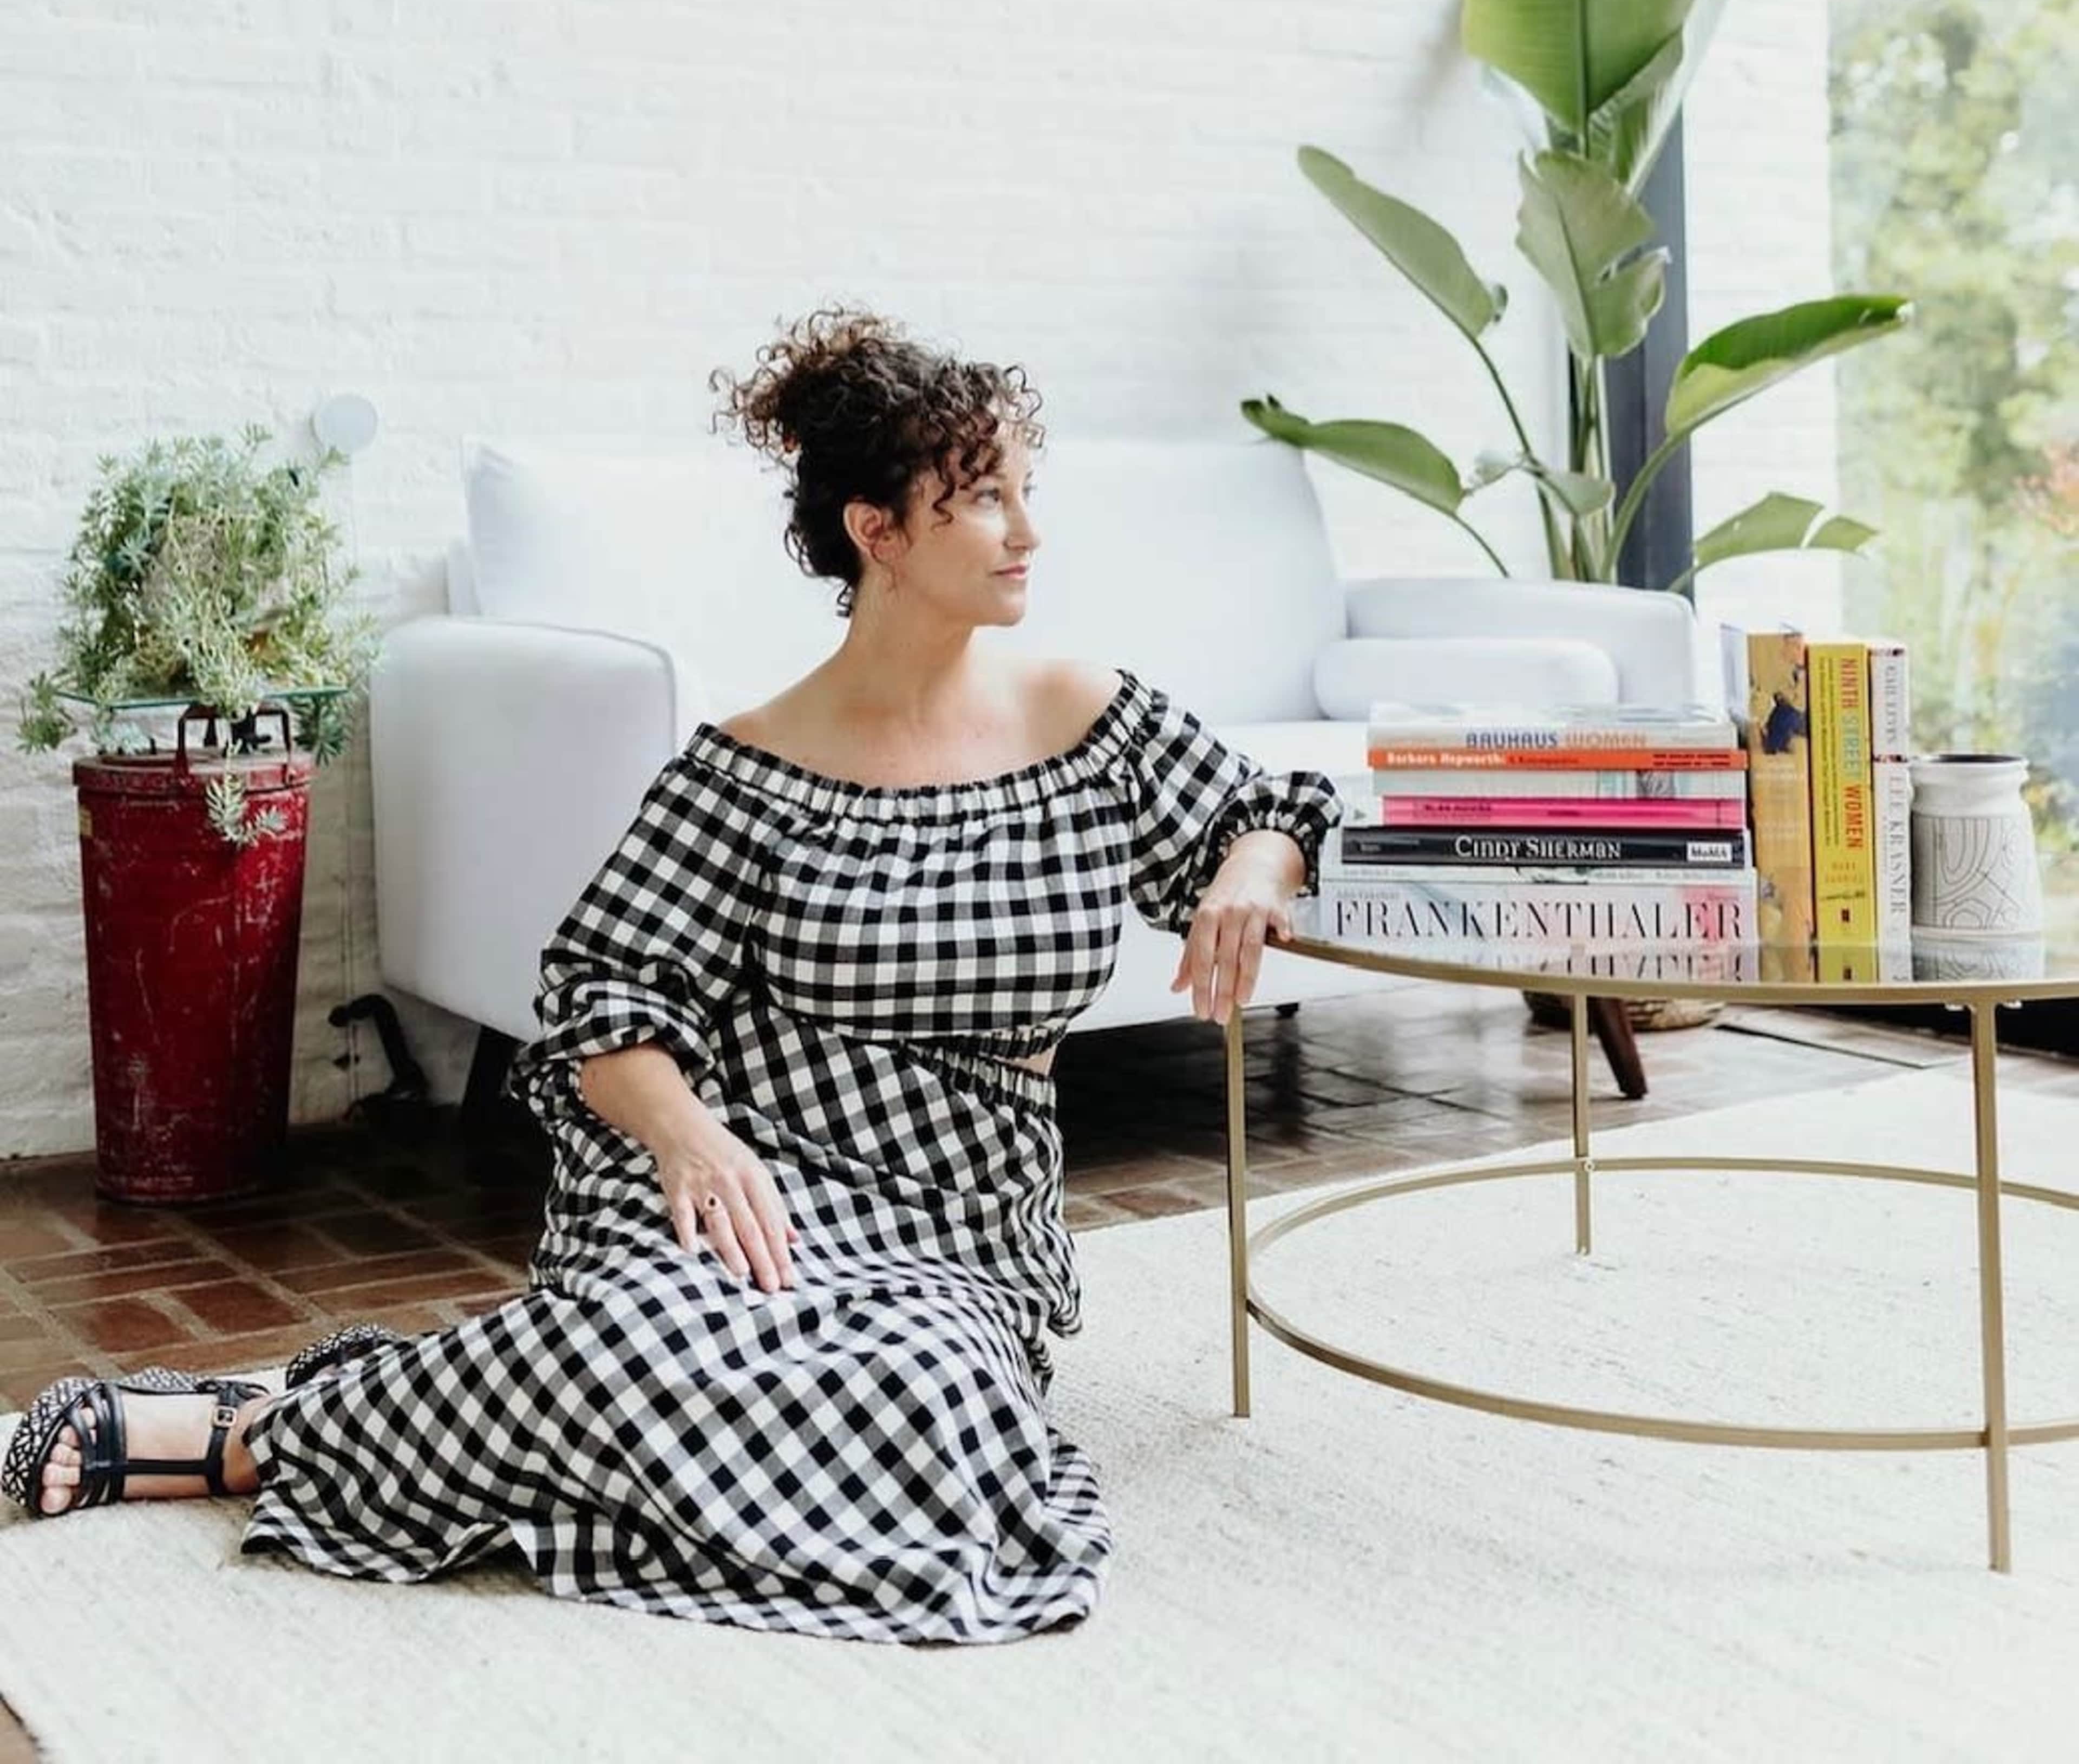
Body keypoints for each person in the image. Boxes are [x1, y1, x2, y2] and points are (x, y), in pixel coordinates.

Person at [2, 305, 1340, 1645]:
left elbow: (1273, 808)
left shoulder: (1081, 718)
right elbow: (603, 999)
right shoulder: (742, 765)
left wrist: (1247, 869)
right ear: (878, 533)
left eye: (1025, 493)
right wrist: (694, 1141)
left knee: (928, 1414)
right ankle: (257, 1427)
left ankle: (352, 1413)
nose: (1030, 534)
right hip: (743, 1178)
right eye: (985, 500)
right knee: (644, 1349)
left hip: (957, 1215)